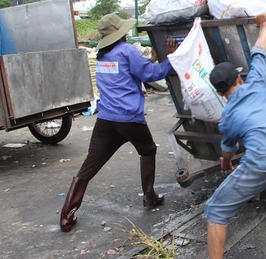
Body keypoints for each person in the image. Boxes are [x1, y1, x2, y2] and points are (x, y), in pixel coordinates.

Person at [59, 13, 177, 232]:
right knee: (148, 150)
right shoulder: (127, 50)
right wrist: (171, 59)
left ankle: (66, 215)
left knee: (89, 165)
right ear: (121, 34)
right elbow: (149, 75)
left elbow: (128, 72)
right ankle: (149, 196)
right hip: (129, 118)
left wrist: (149, 59)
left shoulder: (103, 55)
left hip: (106, 120)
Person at [205, 13, 266, 259]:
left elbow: (227, 151)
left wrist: (226, 163)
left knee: (216, 211)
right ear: (240, 78)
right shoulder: (258, 83)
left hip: (263, 162)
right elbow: (259, 51)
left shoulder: (228, 116)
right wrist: (264, 25)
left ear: (220, 93)